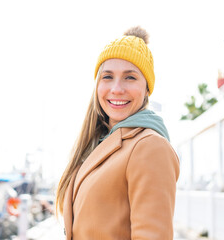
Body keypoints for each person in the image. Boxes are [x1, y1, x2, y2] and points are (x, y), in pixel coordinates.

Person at [55, 26, 180, 240]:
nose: (117, 89)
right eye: (107, 77)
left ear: (147, 89)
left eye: (130, 78)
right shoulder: (98, 143)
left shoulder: (150, 147)